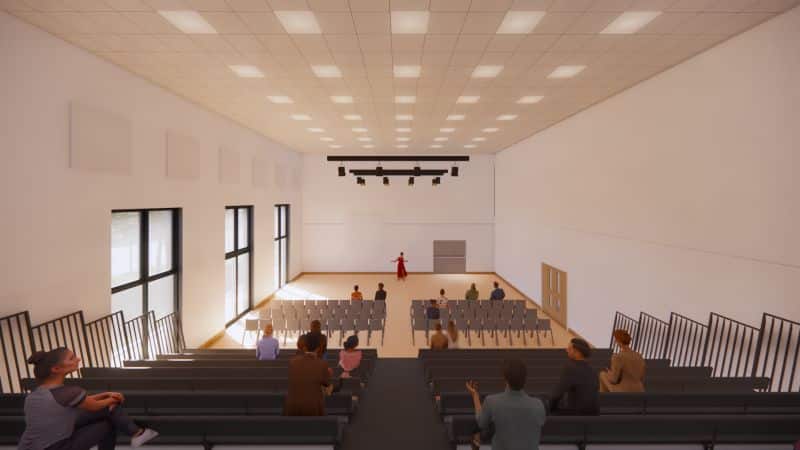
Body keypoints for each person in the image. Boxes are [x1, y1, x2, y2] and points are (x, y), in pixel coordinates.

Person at [18, 348, 158, 450]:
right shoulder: (70, 392)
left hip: (28, 447)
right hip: (58, 447)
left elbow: (81, 402)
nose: (78, 359)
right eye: (72, 358)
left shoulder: (34, 395)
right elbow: (95, 406)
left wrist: (105, 395)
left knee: (108, 412)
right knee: (109, 420)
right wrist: (113, 399)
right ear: (56, 369)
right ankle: (137, 433)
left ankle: (137, 433)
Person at [466, 359, 547, 450]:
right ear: (525, 378)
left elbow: (480, 422)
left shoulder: (492, 401)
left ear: (505, 378)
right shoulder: (538, 405)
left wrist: (475, 396)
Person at [284, 333, 332, 416]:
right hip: (313, 410)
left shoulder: (293, 362)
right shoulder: (322, 364)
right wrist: (328, 375)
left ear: (304, 347)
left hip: (292, 408)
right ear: (318, 348)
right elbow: (327, 386)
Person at [550, 338, 599, 415]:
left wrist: (550, 408)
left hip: (577, 415)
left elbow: (556, 395)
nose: (566, 350)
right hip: (594, 413)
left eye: (569, 348)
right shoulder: (593, 370)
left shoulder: (570, 368)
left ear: (577, 352)